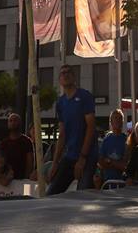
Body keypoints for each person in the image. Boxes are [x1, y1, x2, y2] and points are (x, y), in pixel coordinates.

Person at [47, 65, 98, 194]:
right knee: (52, 193)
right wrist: (55, 163)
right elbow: (62, 133)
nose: (66, 74)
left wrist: (82, 158)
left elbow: (91, 127)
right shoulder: (60, 103)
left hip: (87, 156)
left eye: (69, 72)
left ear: (74, 77)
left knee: (83, 194)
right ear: (59, 80)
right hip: (69, 156)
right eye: (62, 73)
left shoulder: (85, 96)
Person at [96, 109, 129, 187]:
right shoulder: (106, 140)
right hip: (107, 182)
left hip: (122, 183)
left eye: (119, 118)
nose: (117, 120)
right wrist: (116, 163)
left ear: (122, 121)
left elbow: (125, 166)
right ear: (111, 122)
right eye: (115, 118)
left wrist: (110, 161)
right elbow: (101, 162)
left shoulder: (127, 140)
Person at [0, 113, 34, 180]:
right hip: (6, 179)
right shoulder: (4, 143)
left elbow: (30, 162)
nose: (13, 123)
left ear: (20, 123)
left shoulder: (27, 141)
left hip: (22, 179)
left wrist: (26, 179)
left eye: (15, 120)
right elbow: (0, 161)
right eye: (10, 121)